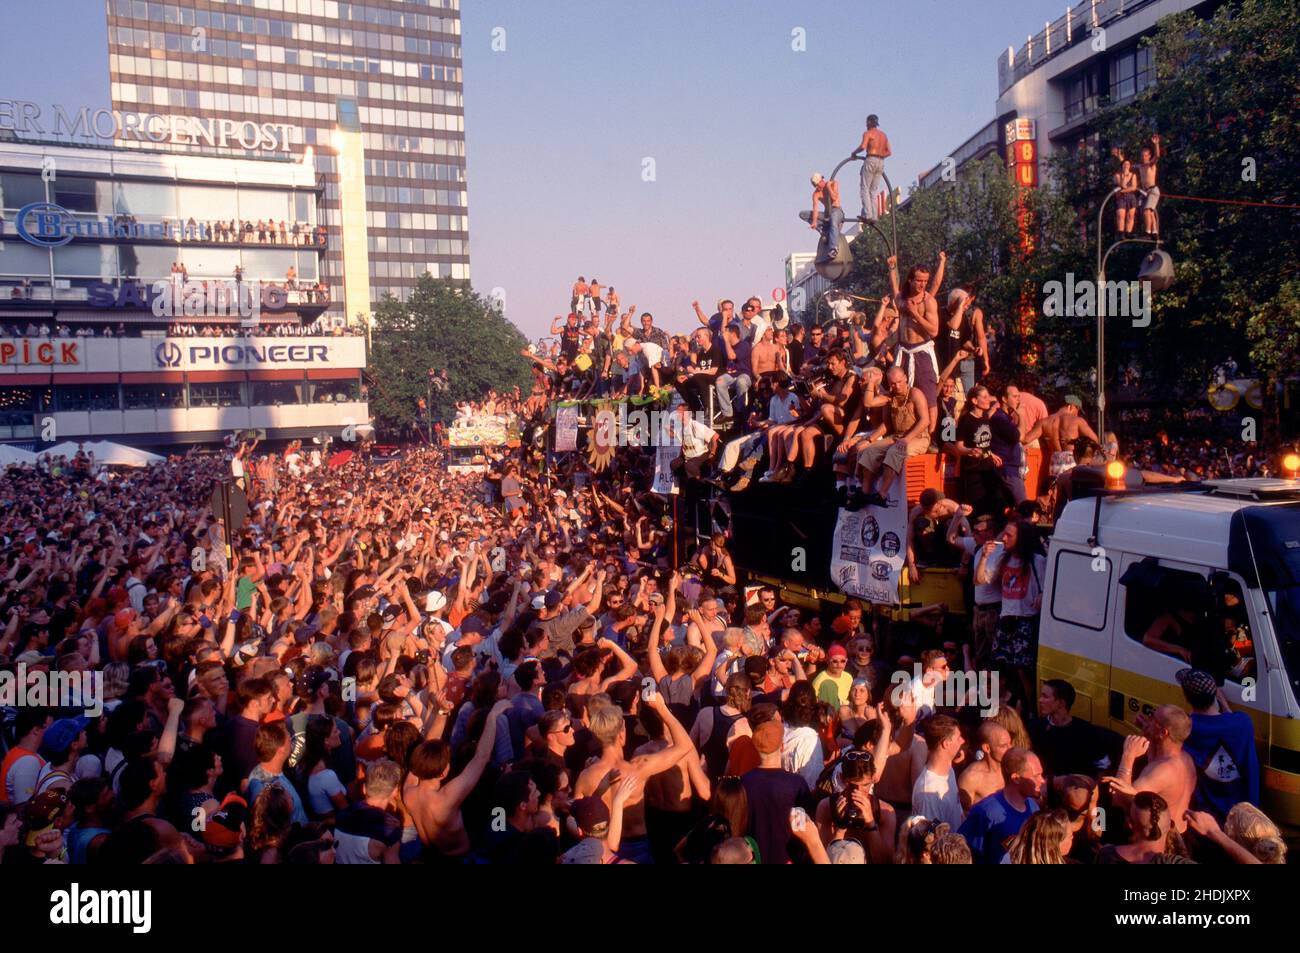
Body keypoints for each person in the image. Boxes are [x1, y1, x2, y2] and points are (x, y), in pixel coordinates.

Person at [1175, 668, 1259, 821]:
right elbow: (1228, 721)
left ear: (1186, 698)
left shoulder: (1186, 729)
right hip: (1244, 817)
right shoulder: (1243, 723)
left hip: (1205, 820)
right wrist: (1225, 706)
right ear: (1215, 695)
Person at [1103, 705, 1198, 835]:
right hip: (1178, 833)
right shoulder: (1185, 758)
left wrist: (1128, 756)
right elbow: (1154, 760)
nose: (1148, 718)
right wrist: (1149, 733)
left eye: (1153, 717)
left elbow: (1120, 801)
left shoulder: (1162, 771)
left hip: (1161, 839)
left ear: (1163, 733)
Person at [739, 707, 812, 865]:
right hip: (788, 859)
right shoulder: (796, 784)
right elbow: (803, 830)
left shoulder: (743, 782)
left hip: (752, 859)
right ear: (782, 747)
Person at [957, 747, 1042, 864]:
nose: (1042, 780)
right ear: (1016, 779)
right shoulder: (985, 812)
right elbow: (963, 854)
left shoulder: (1034, 808)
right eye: (1036, 776)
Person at [1028, 679, 1102, 779]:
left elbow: (1102, 765)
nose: (1040, 700)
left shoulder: (1085, 731)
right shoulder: (1036, 727)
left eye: (1045, 696)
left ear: (1061, 703)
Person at [911, 714, 965, 829]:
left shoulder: (949, 770)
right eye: (958, 737)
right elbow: (929, 841)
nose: (963, 741)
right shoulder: (928, 794)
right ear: (946, 744)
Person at [853, 114, 891, 221]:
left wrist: (853, 153)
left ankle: (868, 214)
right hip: (881, 162)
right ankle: (874, 216)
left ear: (869, 122)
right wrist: (880, 157)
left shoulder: (868, 133)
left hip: (870, 159)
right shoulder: (883, 135)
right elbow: (889, 152)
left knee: (864, 188)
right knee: (873, 191)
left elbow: (863, 146)